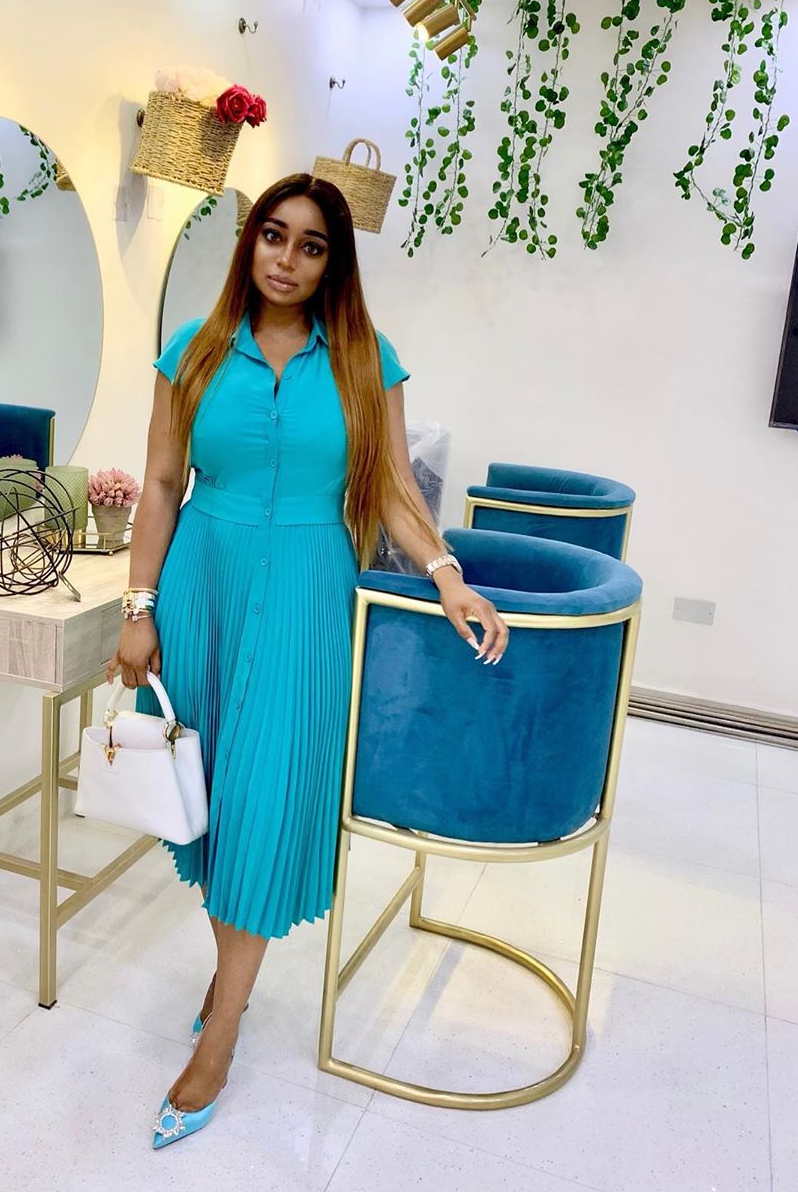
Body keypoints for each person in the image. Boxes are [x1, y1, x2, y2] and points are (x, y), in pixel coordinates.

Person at [106, 173, 509, 1148]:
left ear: (334, 262)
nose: (287, 259)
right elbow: (160, 483)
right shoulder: (194, 351)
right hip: (204, 588)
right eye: (273, 236)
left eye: (312, 245)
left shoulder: (367, 358)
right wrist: (139, 606)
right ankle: (230, 984)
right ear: (249, 242)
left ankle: (222, 1030)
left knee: (267, 800)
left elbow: (394, 488)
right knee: (211, 805)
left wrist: (447, 574)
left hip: (307, 599)